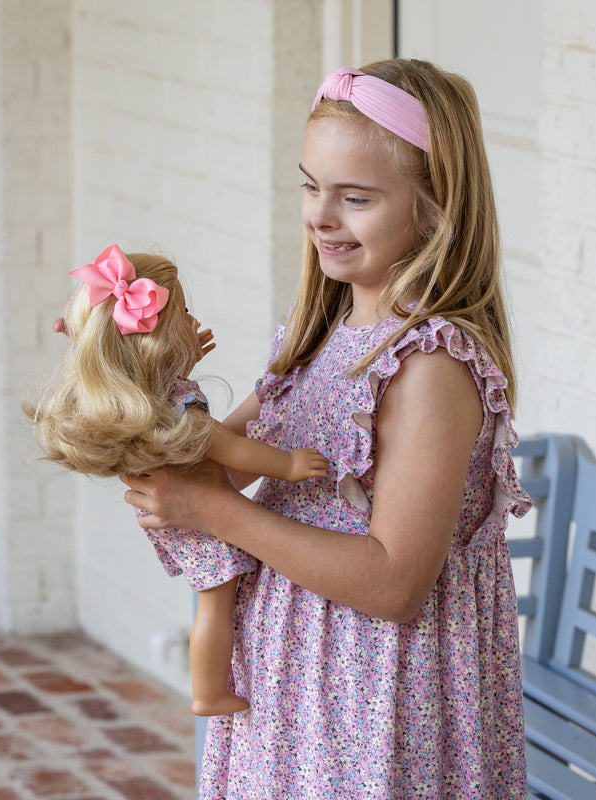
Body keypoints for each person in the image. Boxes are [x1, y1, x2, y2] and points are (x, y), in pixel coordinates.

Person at [121, 59, 532, 798]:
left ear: (437, 207)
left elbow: (394, 583)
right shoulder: (317, 332)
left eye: (356, 197)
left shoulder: (430, 365)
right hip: (292, 689)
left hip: (379, 706)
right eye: (311, 186)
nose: (320, 215)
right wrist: (116, 365)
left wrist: (214, 512)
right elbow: (209, 462)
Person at [26, 244, 329, 717]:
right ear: (160, 334)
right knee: (215, 607)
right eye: (184, 314)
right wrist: (288, 466)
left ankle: (209, 691)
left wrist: (177, 357)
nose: (194, 321)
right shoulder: (181, 406)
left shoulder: (149, 398)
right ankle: (209, 694)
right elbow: (231, 448)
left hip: (183, 514)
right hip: (203, 521)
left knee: (212, 604)